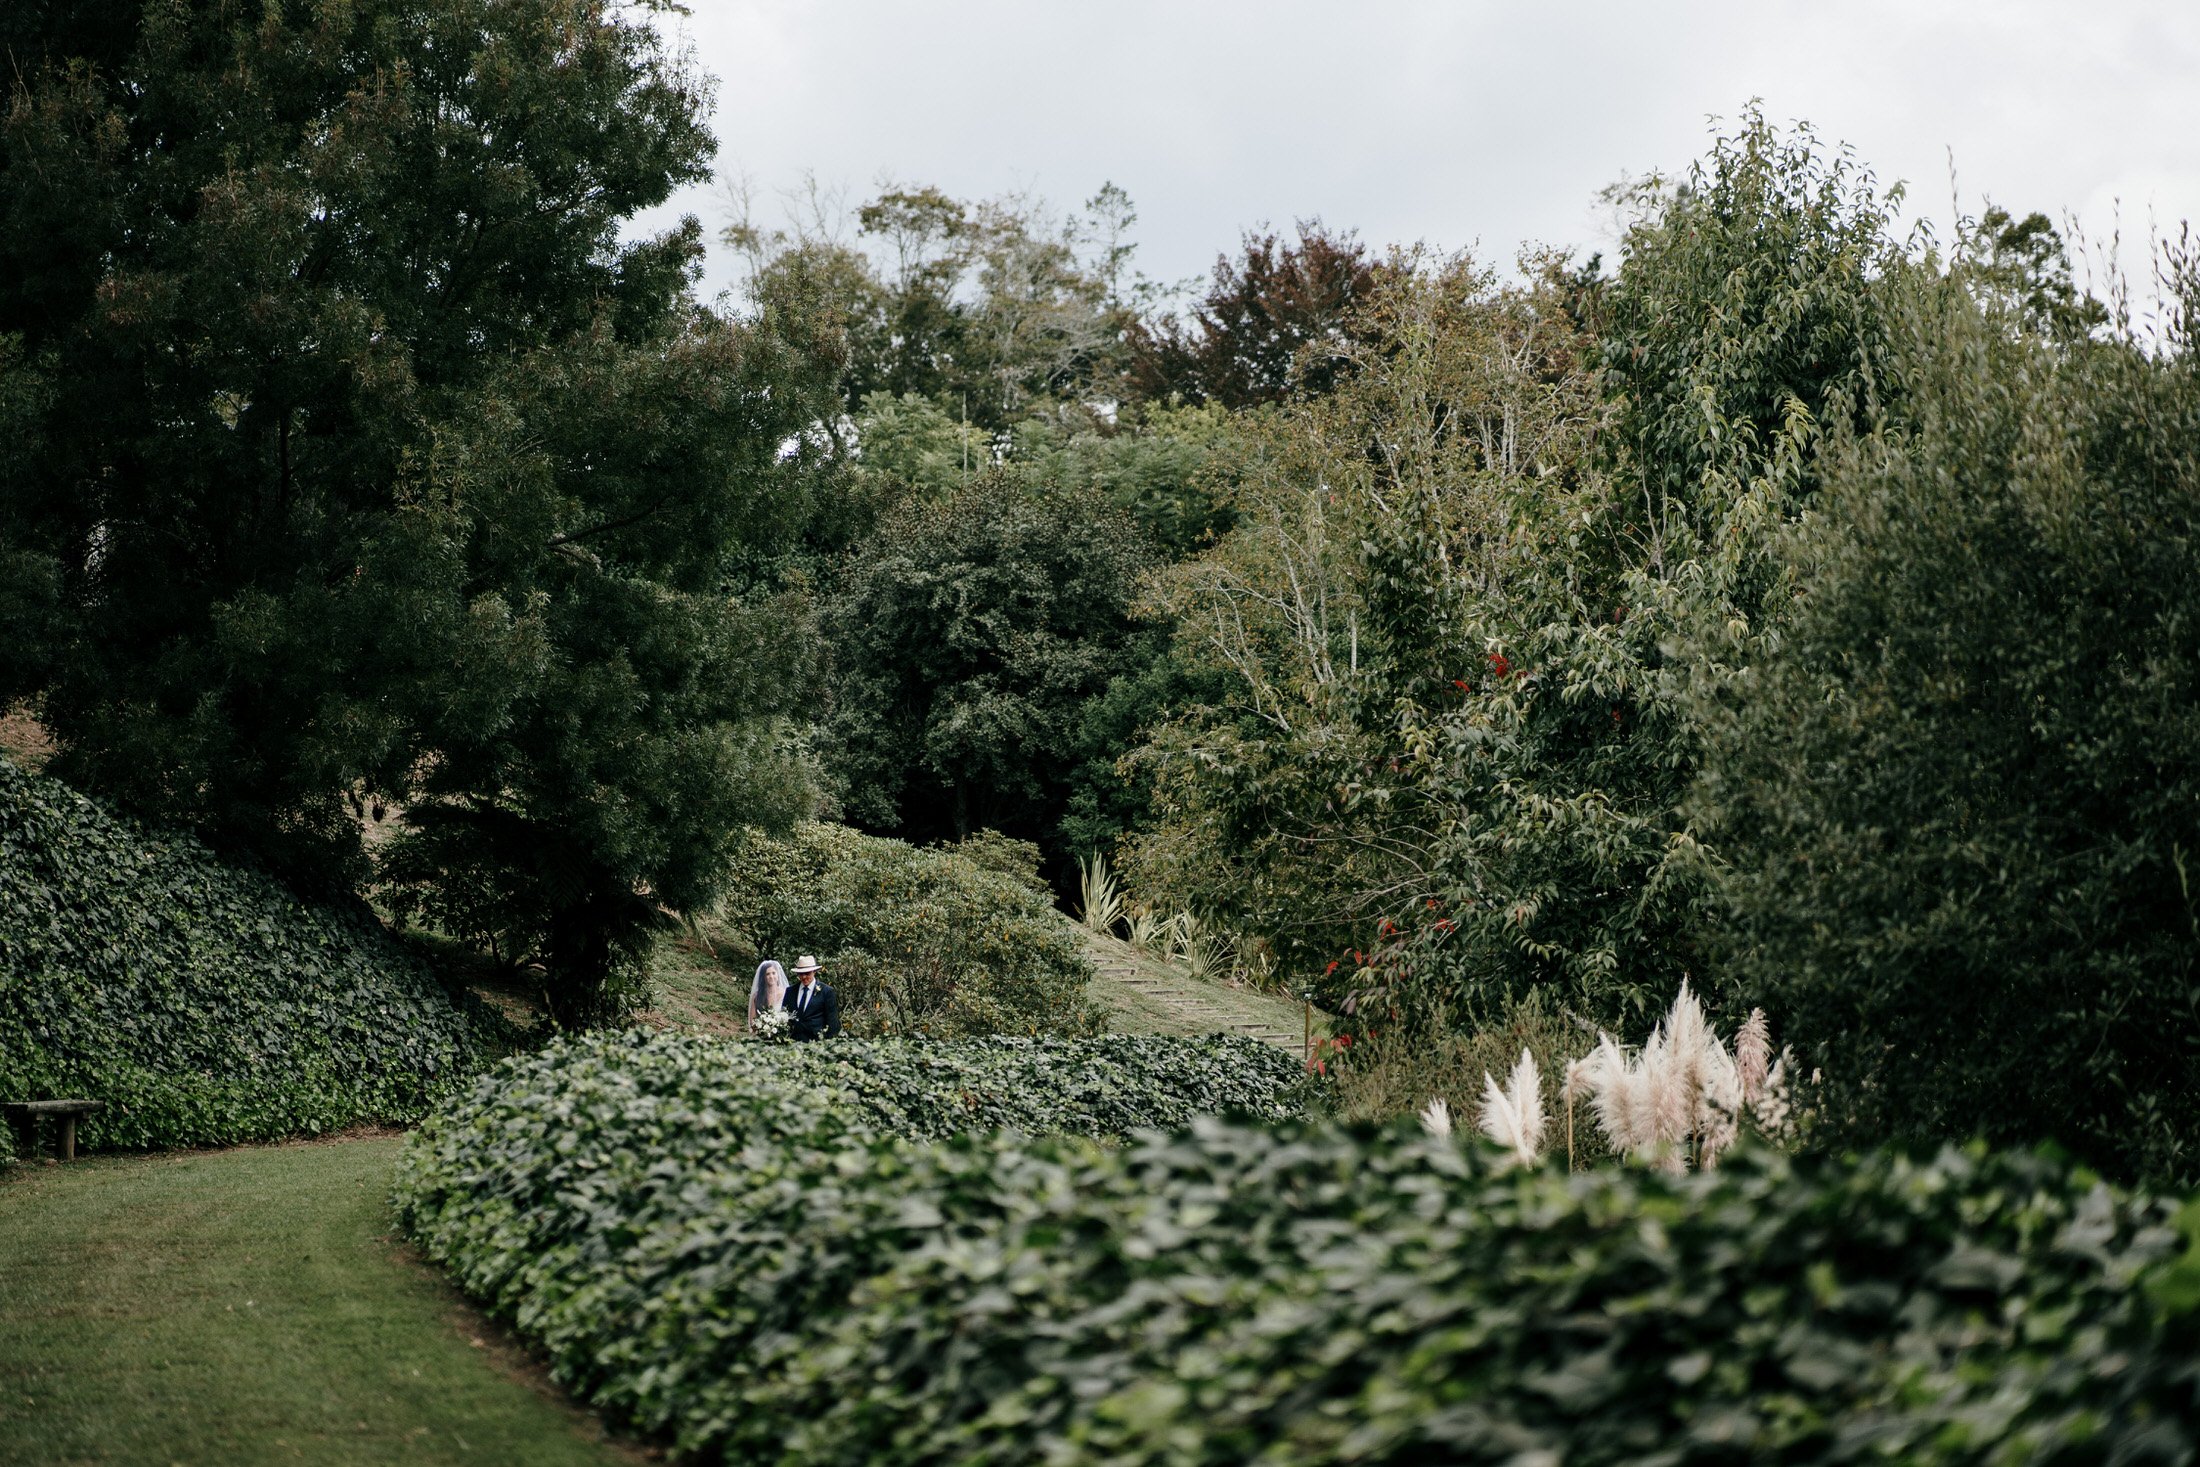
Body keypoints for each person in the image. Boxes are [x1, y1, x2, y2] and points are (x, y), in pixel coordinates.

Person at [784, 955, 840, 1041]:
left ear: (814, 972)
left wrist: (828, 1044)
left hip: (817, 1044)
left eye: (807, 973)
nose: (803, 977)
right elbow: (785, 1014)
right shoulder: (790, 991)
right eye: (801, 974)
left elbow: (832, 1022)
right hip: (793, 1043)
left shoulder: (827, 991)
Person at [748, 959, 787, 1028]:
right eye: (767, 974)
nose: (771, 977)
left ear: (778, 975)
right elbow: (752, 1022)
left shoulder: (786, 994)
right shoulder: (757, 996)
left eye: (773, 973)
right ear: (763, 977)